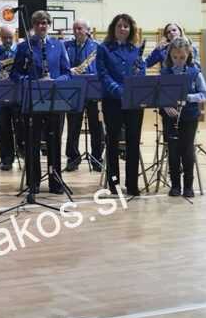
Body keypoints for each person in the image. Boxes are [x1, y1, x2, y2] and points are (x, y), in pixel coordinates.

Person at [11, 10, 71, 195]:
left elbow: (67, 73)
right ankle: (33, 182)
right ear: (33, 26)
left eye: (44, 22)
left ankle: (55, 181)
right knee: (32, 142)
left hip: (54, 99)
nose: (41, 26)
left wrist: (55, 81)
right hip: (33, 99)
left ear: (49, 25)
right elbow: (15, 74)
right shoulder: (25, 47)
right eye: (38, 23)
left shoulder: (58, 45)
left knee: (54, 142)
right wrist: (31, 82)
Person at [96, 13, 146, 197]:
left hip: (133, 102)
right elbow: (102, 74)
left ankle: (132, 184)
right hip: (112, 101)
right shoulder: (104, 49)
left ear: (130, 29)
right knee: (112, 143)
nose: (123, 29)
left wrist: (139, 71)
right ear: (113, 28)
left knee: (133, 142)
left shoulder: (135, 49)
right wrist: (118, 90)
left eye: (126, 26)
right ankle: (114, 184)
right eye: (119, 26)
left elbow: (141, 72)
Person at [160, 38, 206, 198]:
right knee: (173, 150)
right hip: (170, 117)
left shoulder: (195, 72)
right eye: (175, 57)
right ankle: (175, 185)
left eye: (182, 57)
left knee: (187, 150)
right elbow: (158, 94)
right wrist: (165, 105)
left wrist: (188, 97)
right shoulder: (165, 72)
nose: (178, 61)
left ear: (188, 55)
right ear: (170, 56)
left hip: (189, 116)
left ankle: (188, 186)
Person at [63, 20, 104, 173]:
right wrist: (69, 70)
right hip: (74, 92)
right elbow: (61, 66)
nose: (76, 31)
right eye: (74, 29)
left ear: (87, 30)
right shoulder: (66, 46)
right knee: (73, 127)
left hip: (93, 91)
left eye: (80, 28)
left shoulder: (98, 47)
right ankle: (73, 158)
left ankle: (97, 158)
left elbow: (103, 67)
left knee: (97, 127)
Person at [0, 25, 19, 171]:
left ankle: (23, 153)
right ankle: (6, 159)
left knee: (21, 127)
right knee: (3, 128)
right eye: (4, 38)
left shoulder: (20, 50)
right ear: (0, 37)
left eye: (10, 37)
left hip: (17, 93)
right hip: (0, 94)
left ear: (14, 36)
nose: (7, 40)